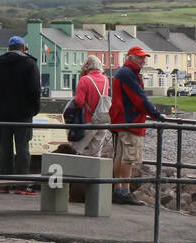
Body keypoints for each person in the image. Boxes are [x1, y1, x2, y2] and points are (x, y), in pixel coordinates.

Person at [110, 45, 166, 205]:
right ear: (131, 57)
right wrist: (157, 114)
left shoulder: (124, 73)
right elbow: (139, 98)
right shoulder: (129, 74)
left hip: (121, 121)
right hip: (130, 121)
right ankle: (124, 191)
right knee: (128, 157)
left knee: (120, 156)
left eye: (144, 57)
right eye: (140, 57)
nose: (143, 60)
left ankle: (117, 189)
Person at [0, 36, 41, 192]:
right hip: (23, 113)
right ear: (23, 48)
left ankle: (5, 184)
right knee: (23, 148)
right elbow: (35, 90)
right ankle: (21, 185)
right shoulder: (30, 63)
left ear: (9, 48)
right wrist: (34, 109)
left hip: (1, 113)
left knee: (5, 148)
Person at [71, 55, 112, 158]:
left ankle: (73, 173)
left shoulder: (85, 80)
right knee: (96, 153)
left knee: (76, 149)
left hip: (88, 121)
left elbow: (79, 102)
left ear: (86, 65)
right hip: (102, 121)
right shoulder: (106, 79)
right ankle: (93, 173)